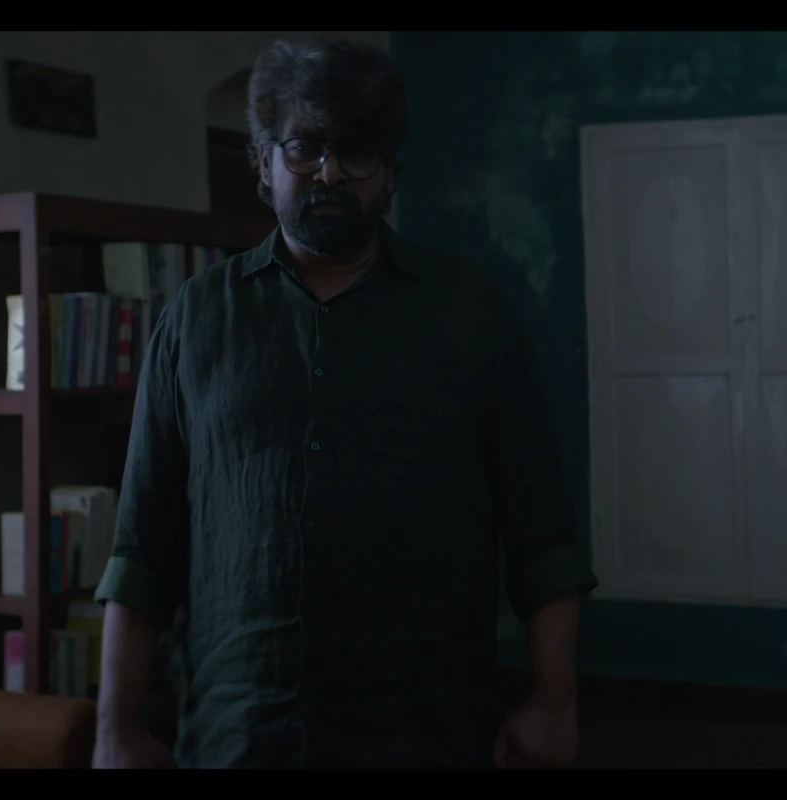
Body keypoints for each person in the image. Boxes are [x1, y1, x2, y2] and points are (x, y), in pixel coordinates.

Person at [90, 37, 597, 769]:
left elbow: (541, 532)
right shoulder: (195, 321)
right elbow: (143, 544)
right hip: (241, 736)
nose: (329, 172)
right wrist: (115, 727)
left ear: (390, 174)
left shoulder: (473, 314)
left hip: (427, 733)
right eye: (304, 147)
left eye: (356, 151)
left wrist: (554, 702)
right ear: (263, 162)